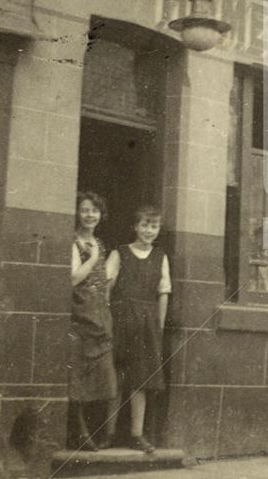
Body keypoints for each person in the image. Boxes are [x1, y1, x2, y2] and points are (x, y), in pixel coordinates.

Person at [106, 206, 171, 453]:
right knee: (116, 377)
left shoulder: (160, 257)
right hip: (120, 319)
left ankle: (136, 434)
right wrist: (106, 319)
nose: (148, 230)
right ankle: (109, 434)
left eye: (153, 226)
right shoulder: (119, 253)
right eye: (144, 225)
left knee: (141, 380)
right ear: (135, 227)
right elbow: (107, 288)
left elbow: (163, 293)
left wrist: (159, 325)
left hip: (147, 323)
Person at [69, 192, 117, 451]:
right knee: (79, 377)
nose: (90, 215)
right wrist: (96, 258)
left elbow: (103, 283)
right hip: (80, 318)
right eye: (85, 210)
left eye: (95, 211)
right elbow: (74, 279)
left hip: (99, 318)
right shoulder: (75, 243)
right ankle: (80, 431)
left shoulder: (99, 242)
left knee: (101, 378)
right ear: (77, 213)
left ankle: (99, 432)